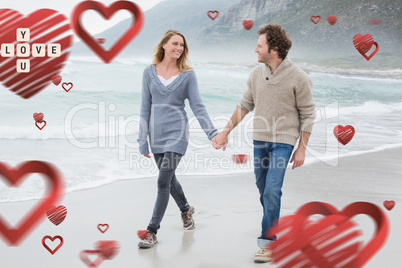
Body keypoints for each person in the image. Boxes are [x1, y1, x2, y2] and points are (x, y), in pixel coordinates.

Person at [213, 24, 316, 263]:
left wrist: (301, 147)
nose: (255, 50)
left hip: (284, 142)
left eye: (259, 46)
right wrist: (225, 132)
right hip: (260, 140)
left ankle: (267, 241)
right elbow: (244, 105)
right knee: (264, 189)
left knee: (272, 190)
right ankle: (272, 220)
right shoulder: (255, 75)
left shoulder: (299, 77)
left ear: (274, 48)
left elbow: (308, 114)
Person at [137, 30, 218, 248]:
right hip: (156, 137)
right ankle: (186, 209)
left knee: (163, 181)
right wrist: (141, 139)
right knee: (170, 180)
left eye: (182, 45)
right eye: (175, 43)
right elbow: (145, 108)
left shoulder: (187, 75)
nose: (179, 48)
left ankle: (152, 231)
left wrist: (213, 133)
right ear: (163, 45)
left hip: (177, 135)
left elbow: (197, 106)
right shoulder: (148, 73)